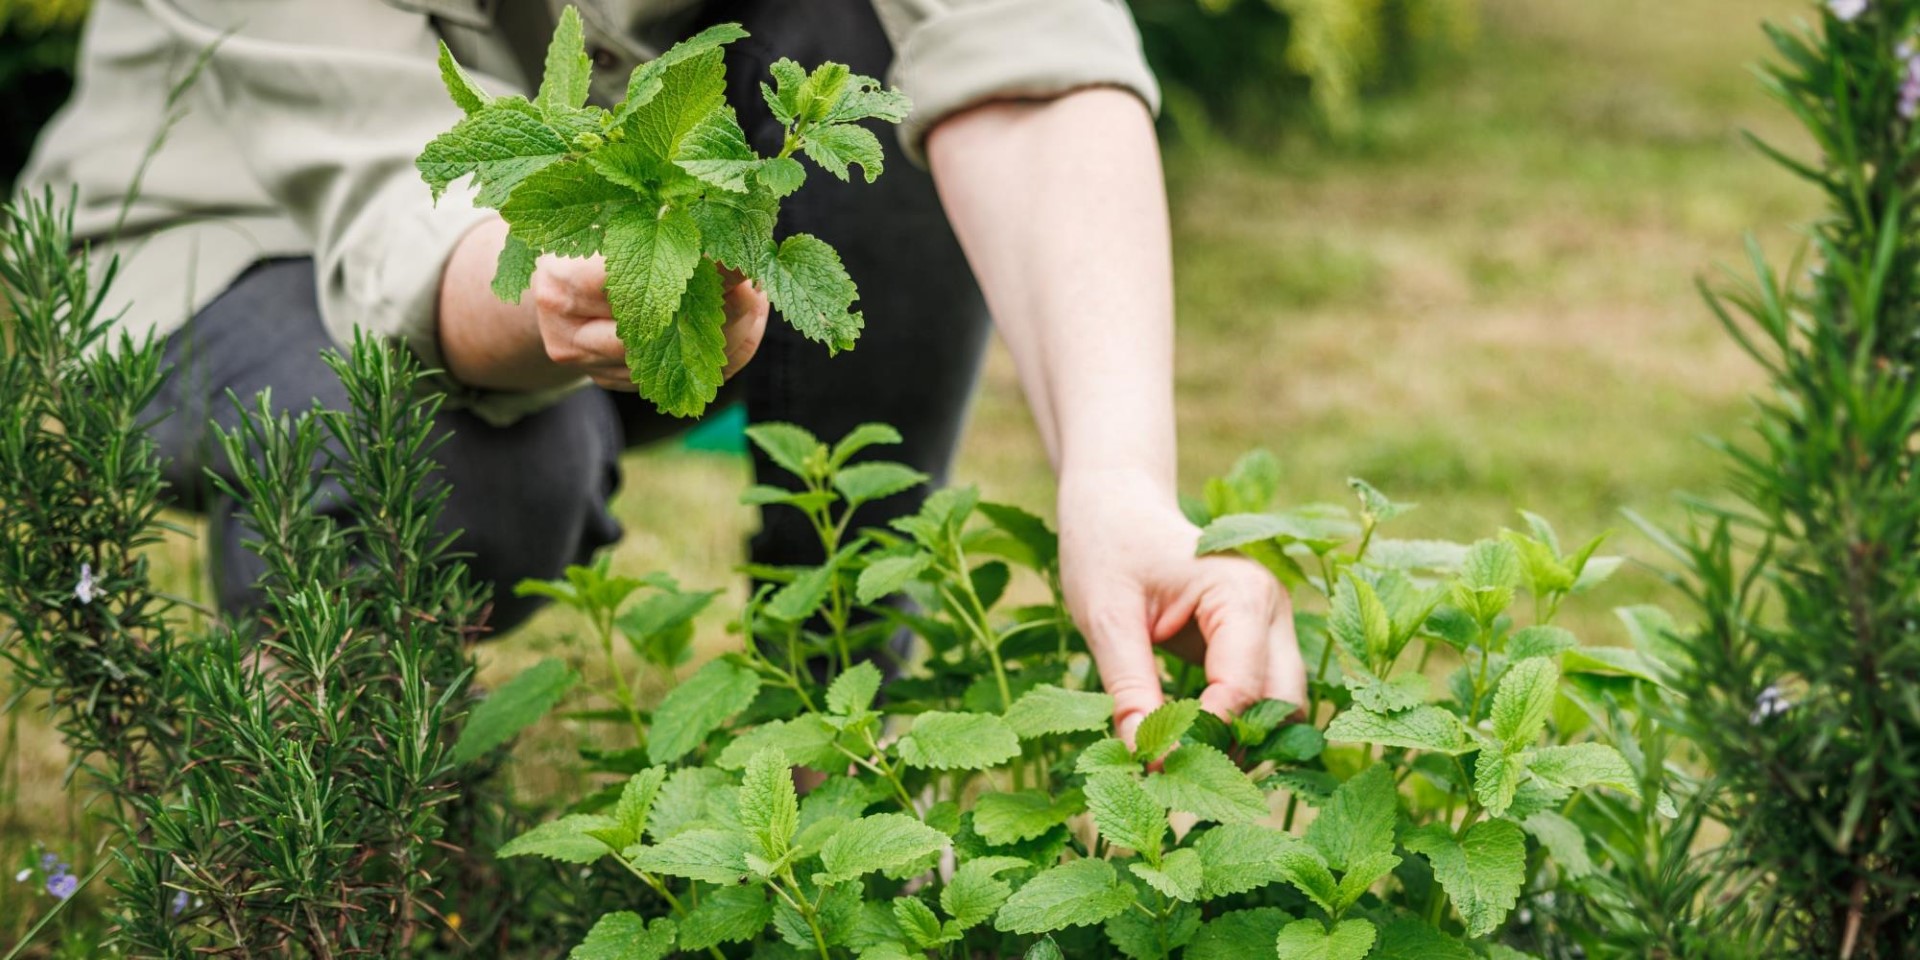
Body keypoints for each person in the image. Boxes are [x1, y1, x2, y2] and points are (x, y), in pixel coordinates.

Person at [19, 0, 1304, 742]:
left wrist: (1123, 483)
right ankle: (332, 784)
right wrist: (577, 295)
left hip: (634, 238)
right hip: (221, 239)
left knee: (865, 64)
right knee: (465, 478)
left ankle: (838, 713)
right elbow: (399, 202)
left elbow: (1018, 51)